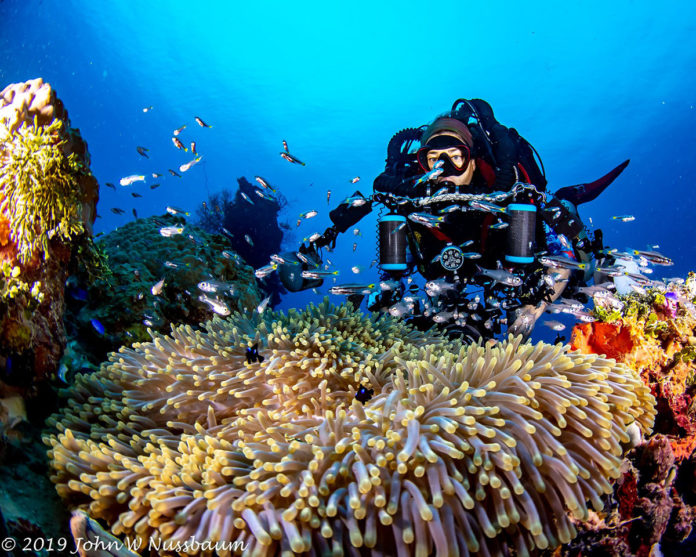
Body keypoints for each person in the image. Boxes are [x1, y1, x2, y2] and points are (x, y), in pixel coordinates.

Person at [277, 98, 628, 341]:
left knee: (580, 274)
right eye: (434, 159)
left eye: (455, 157)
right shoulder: (407, 204)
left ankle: (572, 198)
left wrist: (534, 307)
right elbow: (391, 282)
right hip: (440, 282)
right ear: (421, 164)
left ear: (473, 159)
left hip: (511, 266)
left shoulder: (509, 195)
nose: (444, 170)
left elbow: (558, 259)